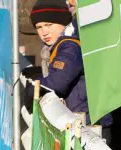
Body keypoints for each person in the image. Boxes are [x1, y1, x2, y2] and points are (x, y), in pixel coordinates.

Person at [28, 0, 113, 138]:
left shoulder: (70, 46)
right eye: (39, 27)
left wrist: (31, 85)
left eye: (49, 25)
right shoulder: (61, 44)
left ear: (63, 22)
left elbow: (57, 83)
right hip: (78, 121)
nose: (44, 32)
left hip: (88, 124)